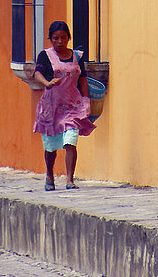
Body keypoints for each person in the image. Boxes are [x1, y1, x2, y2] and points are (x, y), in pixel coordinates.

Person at [33, 20, 95, 190]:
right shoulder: (45, 56)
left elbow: (82, 79)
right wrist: (47, 82)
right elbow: (37, 72)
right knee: (51, 146)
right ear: (50, 39)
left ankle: (69, 179)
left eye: (63, 37)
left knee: (71, 140)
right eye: (55, 38)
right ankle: (49, 175)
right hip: (51, 108)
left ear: (68, 38)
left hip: (72, 105)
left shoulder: (77, 56)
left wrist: (86, 100)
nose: (59, 41)